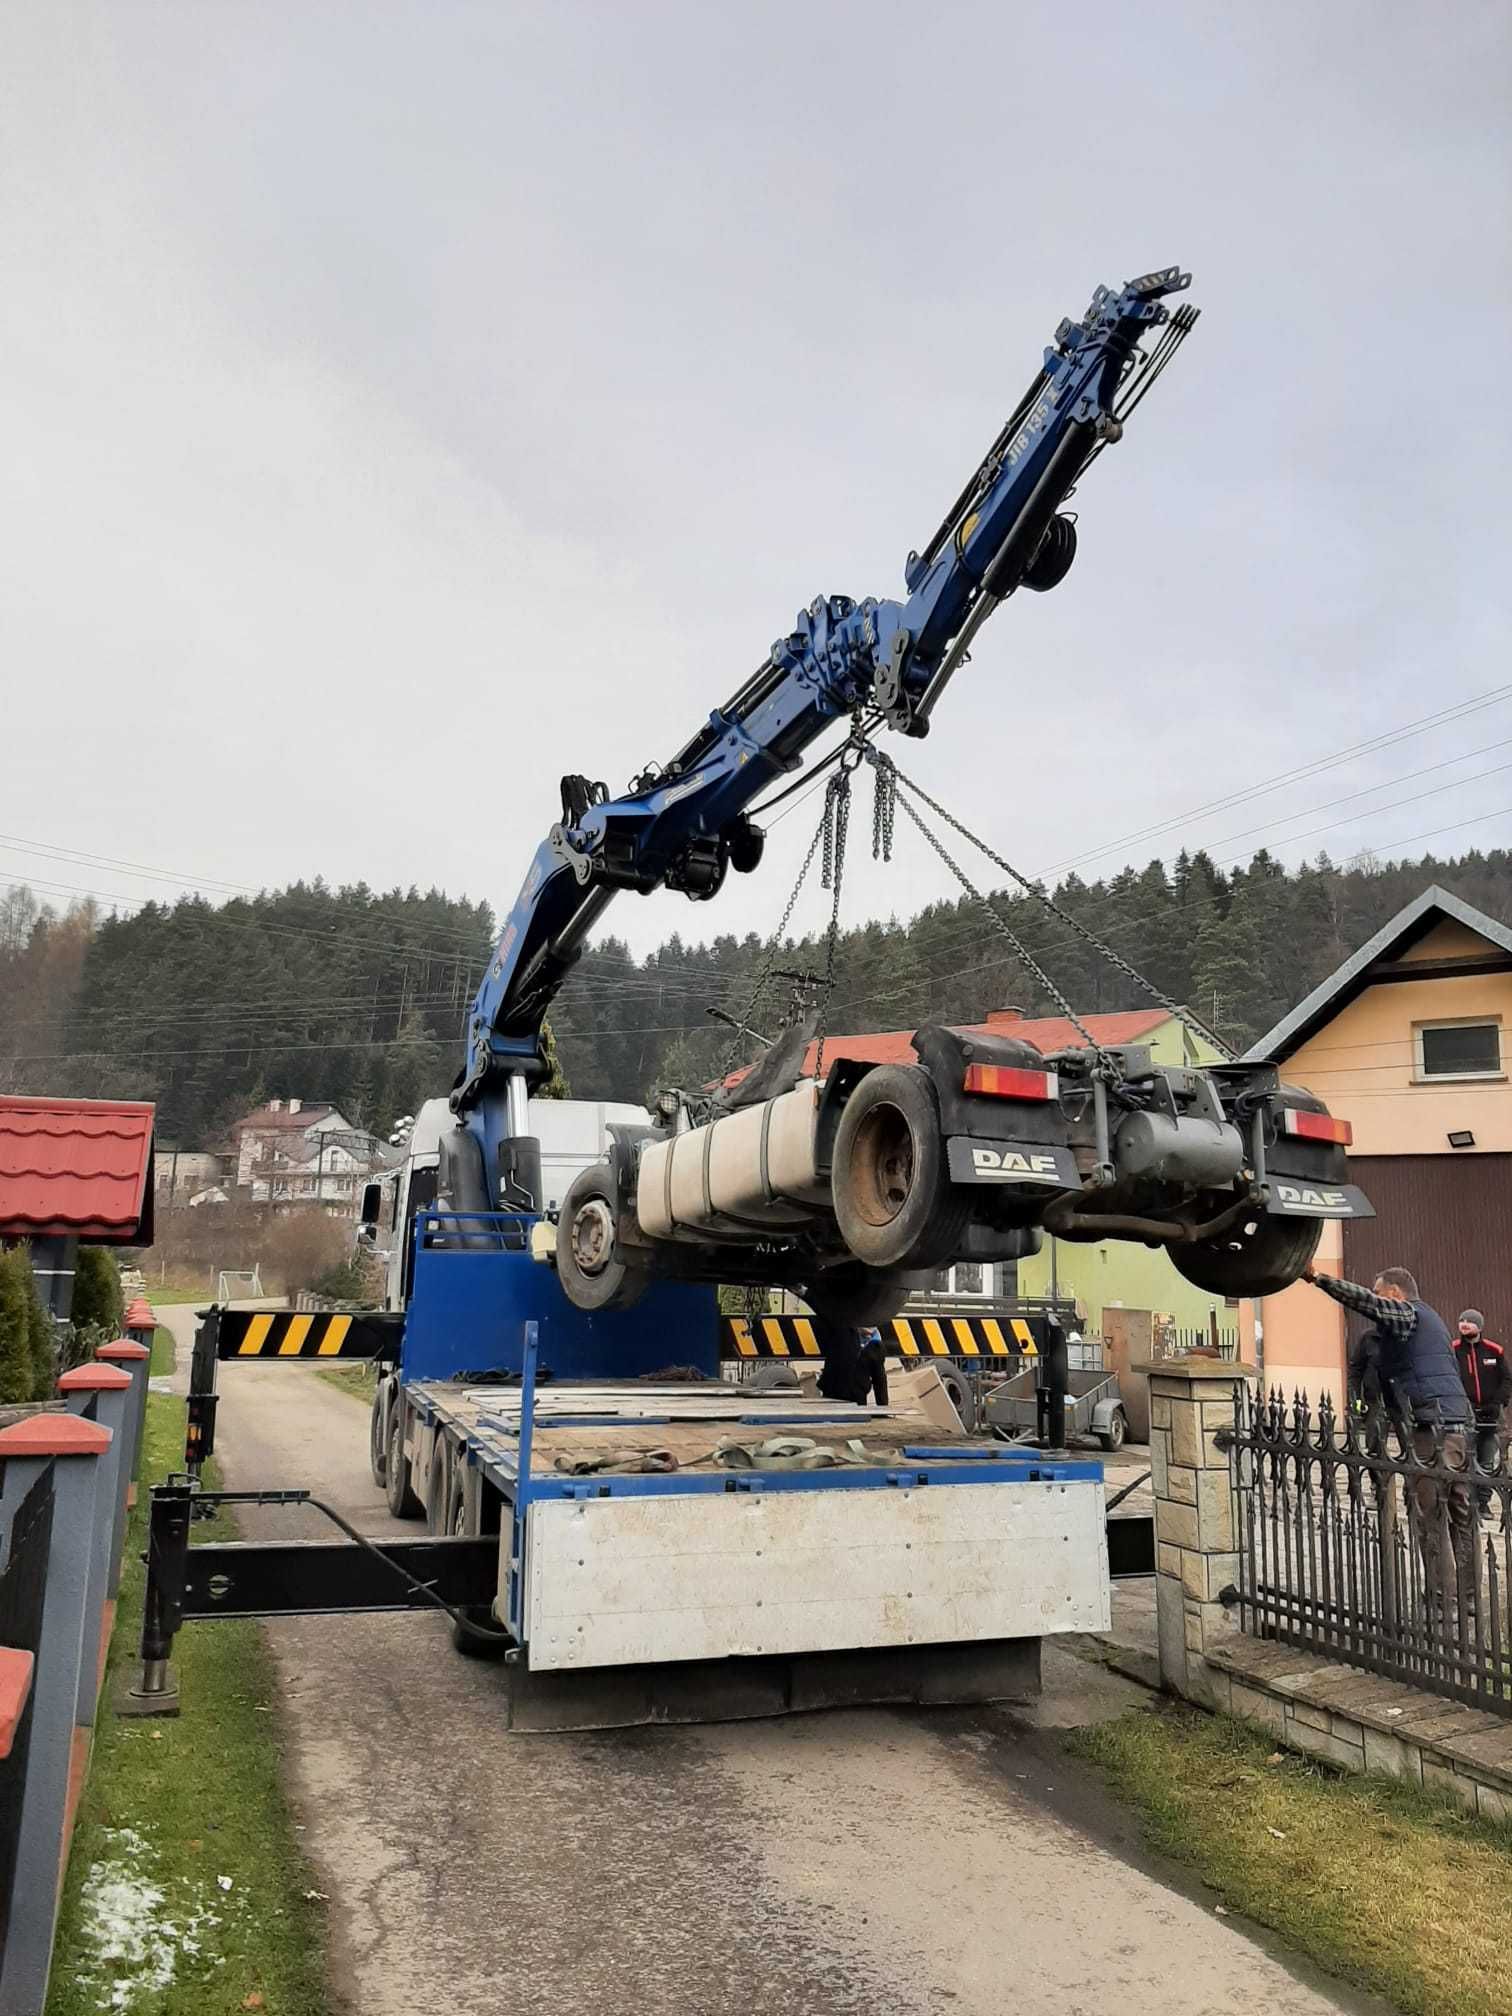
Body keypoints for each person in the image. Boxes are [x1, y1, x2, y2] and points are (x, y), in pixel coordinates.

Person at [1302, 1263, 1474, 1613]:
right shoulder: (1432, 1321)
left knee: (1430, 1514)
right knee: (1461, 1513)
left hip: (1431, 1426)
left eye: (1381, 1292)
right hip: (1456, 1422)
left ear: (1395, 1293)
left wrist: (1317, 1278)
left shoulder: (1408, 1314)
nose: (1378, 1300)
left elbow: (1366, 1302)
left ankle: (1445, 1600)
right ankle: (1467, 1596)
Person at [1452, 1310, 1510, 1511]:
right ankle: (1466, 1501)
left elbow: (1506, 1380)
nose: (1464, 1324)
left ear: (1479, 1326)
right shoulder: (1453, 1350)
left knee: (1487, 1460)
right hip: (1465, 1412)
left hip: (1491, 1414)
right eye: (1462, 1321)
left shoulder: (1494, 1351)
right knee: (1466, 1457)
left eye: (1469, 1322)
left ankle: (1483, 1502)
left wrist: (1497, 1403)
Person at [815, 1319, 888, 1406]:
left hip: (857, 1398)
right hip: (832, 1393)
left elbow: (879, 1379)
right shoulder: (842, 1330)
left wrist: (882, 1408)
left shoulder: (876, 1345)